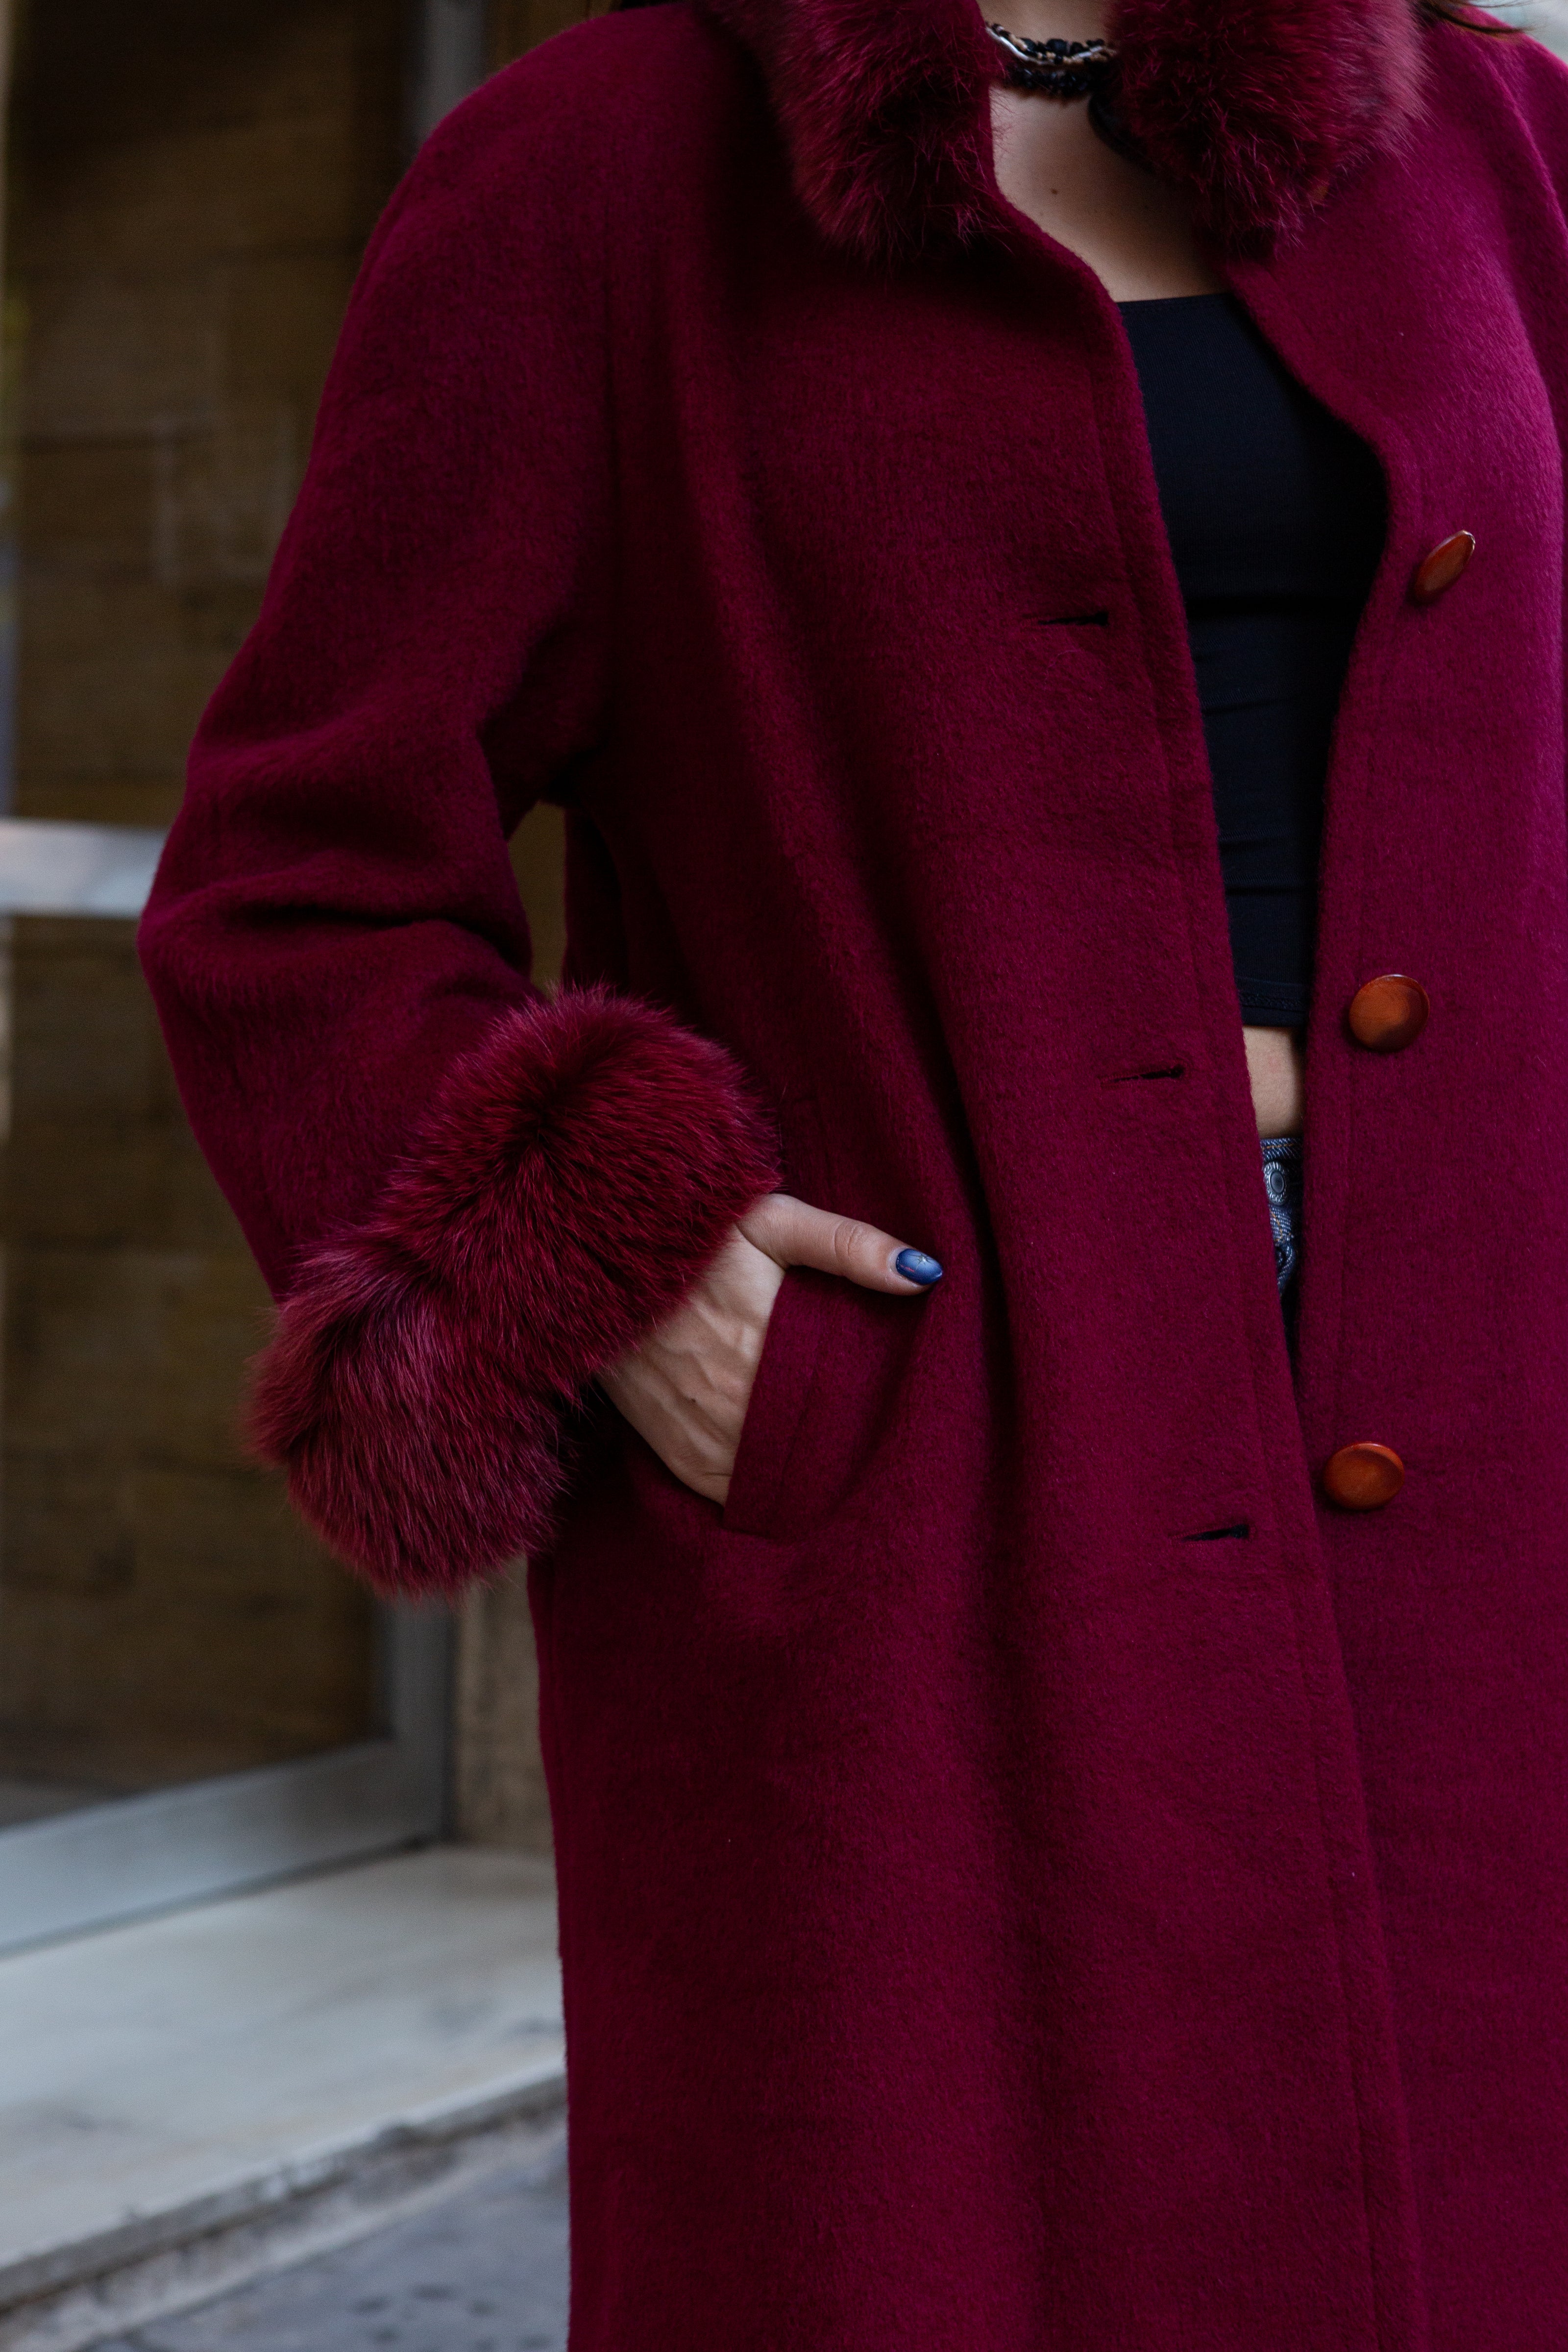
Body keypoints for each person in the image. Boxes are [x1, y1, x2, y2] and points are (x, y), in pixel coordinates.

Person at [139, 0, 1568, 2342]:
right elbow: (296, 885)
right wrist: (612, 1258)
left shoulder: (1486, 128)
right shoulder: (593, 173)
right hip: (941, 1453)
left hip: (1482, 1409)